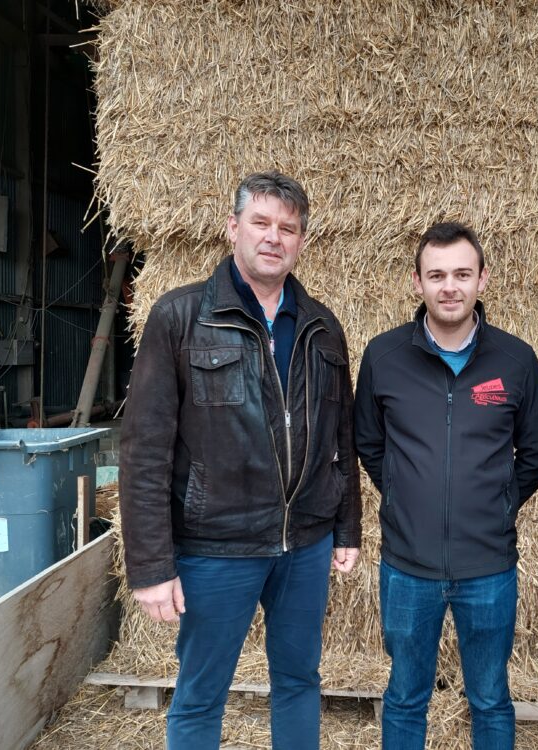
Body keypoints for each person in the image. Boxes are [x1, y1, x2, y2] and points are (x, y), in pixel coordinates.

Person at [118, 170, 361, 750]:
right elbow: (144, 448)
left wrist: (345, 527)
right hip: (214, 546)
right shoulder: (180, 318)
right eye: (261, 223)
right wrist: (150, 564)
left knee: (300, 681)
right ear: (233, 229)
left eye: (288, 228)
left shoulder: (323, 328)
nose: (274, 237)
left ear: (301, 240)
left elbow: (341, 440)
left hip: (304, 544)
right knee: (203, 692)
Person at [355, 221, 538, 749]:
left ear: (482, 280)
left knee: (490, 697)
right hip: (407, 566)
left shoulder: (516, 361)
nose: (450, 286)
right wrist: (400, 493)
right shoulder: (383, 357)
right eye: (437, 274)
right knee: (404, 695)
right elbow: (369, 444)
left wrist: (500, 502)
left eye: (462, 274)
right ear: (418, 283)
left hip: (488, 567)